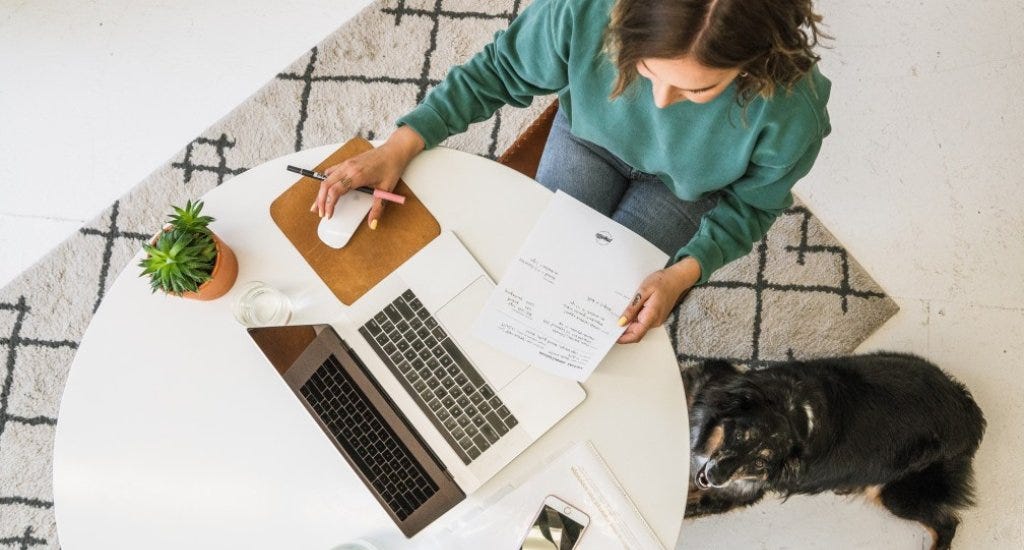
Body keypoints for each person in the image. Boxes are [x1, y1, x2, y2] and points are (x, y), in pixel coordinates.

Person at [312, 0, 831, 344]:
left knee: (594, 324)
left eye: (697, 90)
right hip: (587, 139)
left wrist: (682, 274)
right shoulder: (587, 10)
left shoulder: (791, 112)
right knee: (523, 278)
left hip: (688, 194)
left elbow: (753, 206)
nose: (661, 102)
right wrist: (400, 145)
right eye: (645, 71)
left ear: (754, 65)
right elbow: (500, 70)